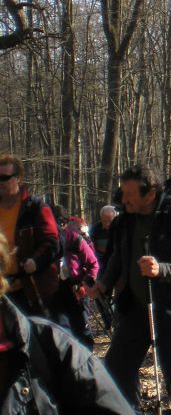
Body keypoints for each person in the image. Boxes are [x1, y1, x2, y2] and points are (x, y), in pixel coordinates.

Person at [90, 164, 171, 414]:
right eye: (122, 193)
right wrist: (103, 284)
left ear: (150, 194)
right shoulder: (125, 219)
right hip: (135, 309)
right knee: (114, 373)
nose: (123, 199)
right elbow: (119, 258)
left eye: (130, 195)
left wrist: (161, 269)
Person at [0, 230, 135, 415]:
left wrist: (85, 284)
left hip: (74, 293)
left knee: (80, 331)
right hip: (55, 295)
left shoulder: (53, 348)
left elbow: (93, 263)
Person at [0, 154, 62, 321]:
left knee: (38, 341)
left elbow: (52, 243)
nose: (1, 182)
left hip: (33, 289)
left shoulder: (35, 207)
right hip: (4, 289)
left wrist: (35, 261)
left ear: (18, 179)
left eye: (4, 178)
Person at [55, 216, 100, 346]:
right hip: (56, 290)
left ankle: (88, 360)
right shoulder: (45, 242)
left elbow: (93, 264)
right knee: (61, 329)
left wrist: (83, 286)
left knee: (81, 328)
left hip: (76, 287)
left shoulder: (74, 238)